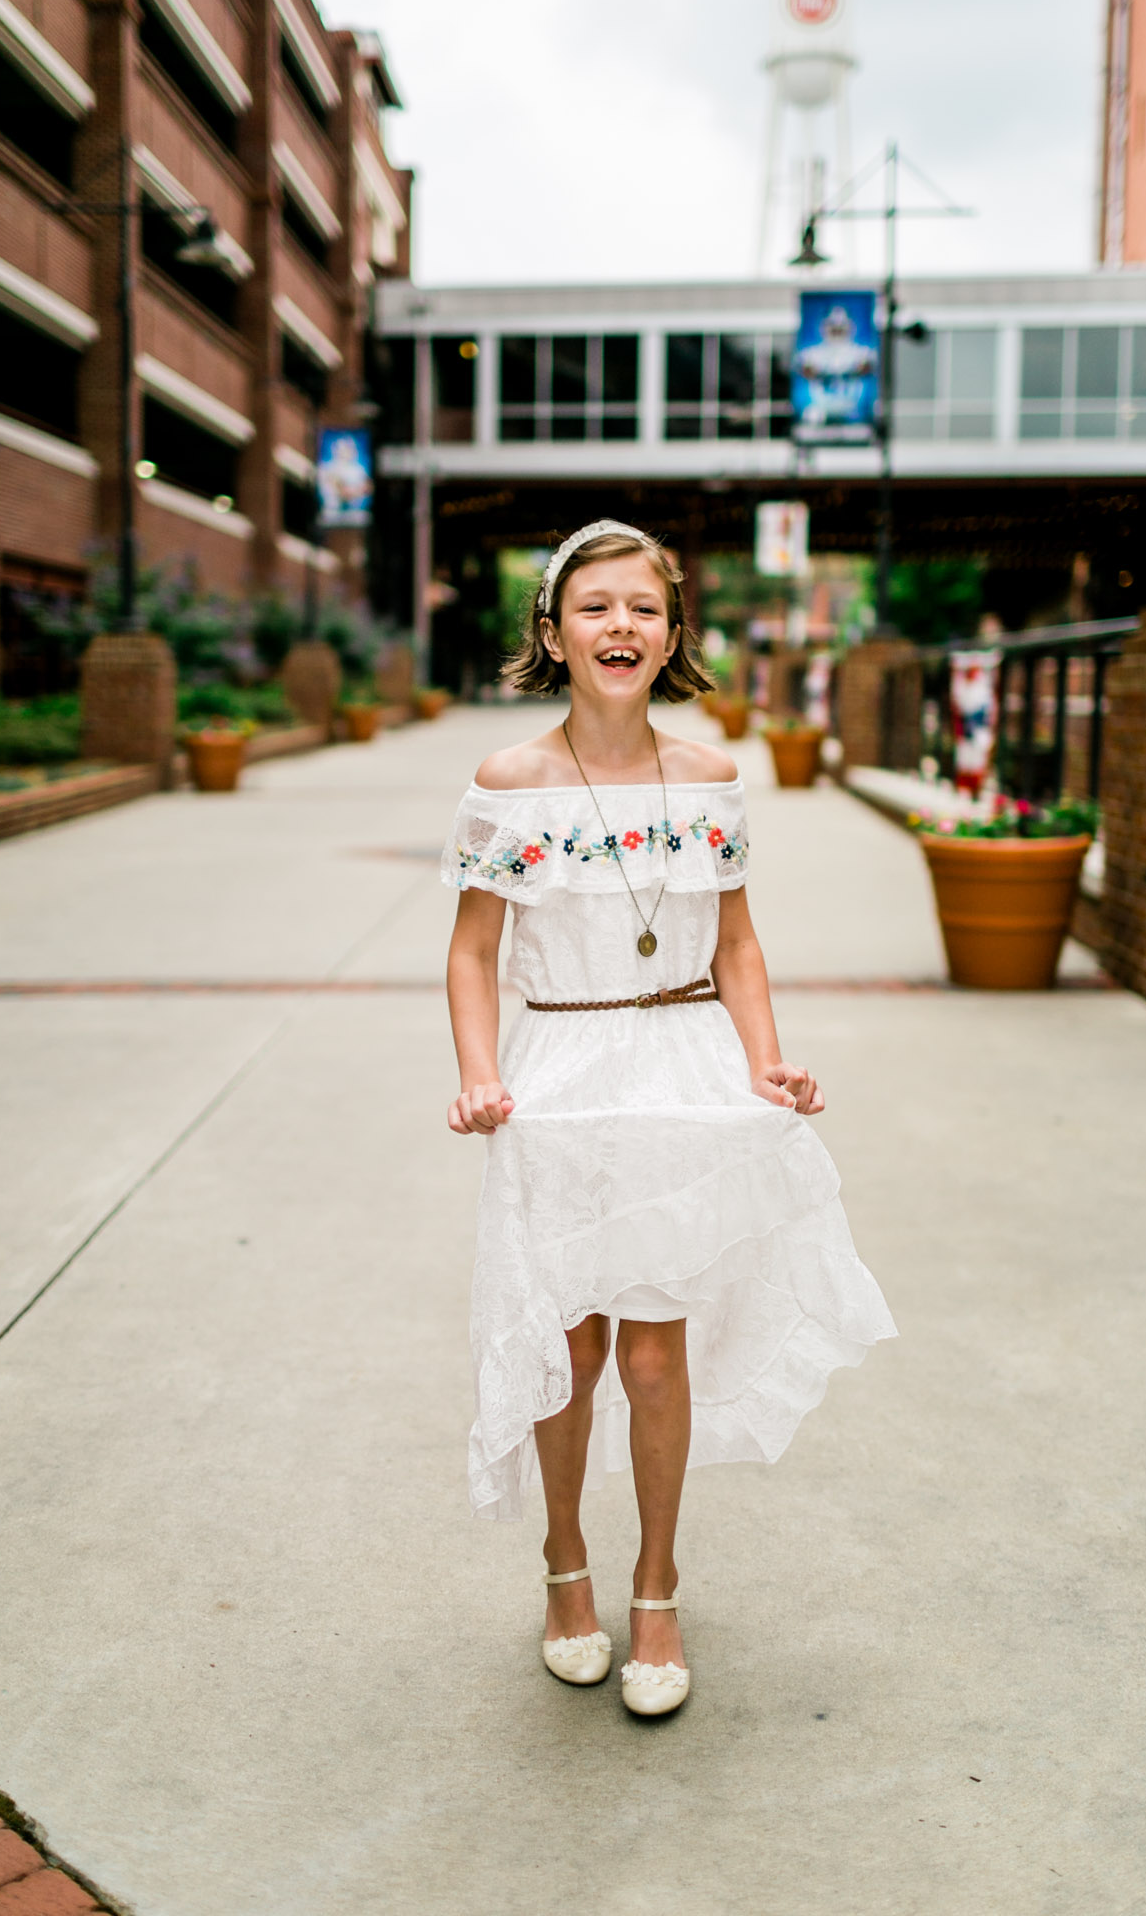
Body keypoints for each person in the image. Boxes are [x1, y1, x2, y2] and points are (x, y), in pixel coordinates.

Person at [443, 520, 895, 1718]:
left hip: (680, 1066)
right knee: (569, 1345)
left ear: (674, 631)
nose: (620, 627)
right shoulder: (509, 785)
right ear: (552, 630)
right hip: (561, 1075)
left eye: (643, 607)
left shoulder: (708, 781)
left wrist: (768, 1062)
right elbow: (472, 952)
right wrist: (482, 1074)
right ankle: (564, 1567)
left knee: (654, 1348)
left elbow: (737, 941)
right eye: (595, 607)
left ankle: (656, 1582)